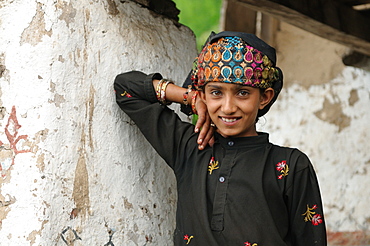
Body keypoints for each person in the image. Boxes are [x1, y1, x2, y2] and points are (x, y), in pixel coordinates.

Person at [114, 31, 327, 245]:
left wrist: (202, 96)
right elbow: (125, 88)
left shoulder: (291, 166)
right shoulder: (189, 147)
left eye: (242, 93)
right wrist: (190, 98)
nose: (228, 107)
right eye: (216, 92)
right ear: (204, 94)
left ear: (264, 97)